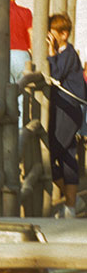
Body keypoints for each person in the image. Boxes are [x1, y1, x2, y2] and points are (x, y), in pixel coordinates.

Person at [47, 14, 85, 218]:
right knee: (64, 154)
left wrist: (51, 53)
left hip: (68, 110)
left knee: (55, 152)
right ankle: (72, 201)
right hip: (60, 109)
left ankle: (71, 203)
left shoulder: (68, 53)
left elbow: (55, 75)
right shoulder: (64, 52)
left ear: (64, 34)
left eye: (52, 32)